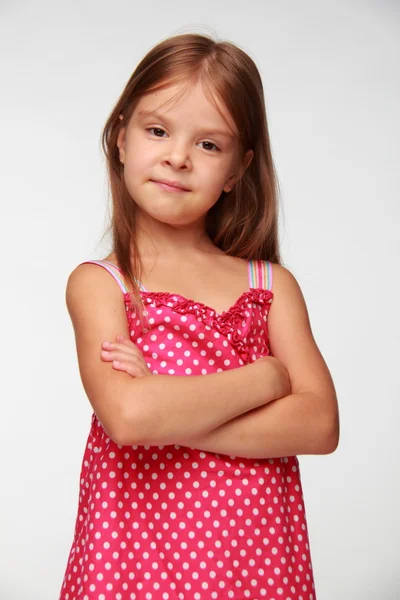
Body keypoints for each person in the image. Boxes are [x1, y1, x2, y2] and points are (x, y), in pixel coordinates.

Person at [58, 32, 339, 600]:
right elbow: (132, 418)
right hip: (135, 564)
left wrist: (172, 409)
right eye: (157, 131)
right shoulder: (101, 285)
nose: (178, 157)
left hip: (257, 565)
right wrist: (264, 379)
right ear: (120, 136)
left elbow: (319, 425)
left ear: (238, 169)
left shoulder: (270, 288)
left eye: (210, 145)